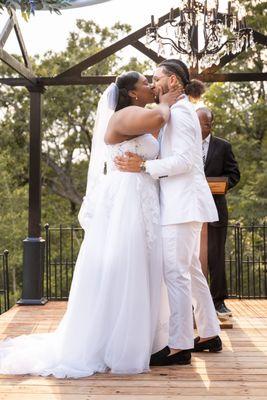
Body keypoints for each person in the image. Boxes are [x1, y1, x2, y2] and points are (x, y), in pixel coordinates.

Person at [0, 71, 181, 378]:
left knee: (144, 265)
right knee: (128, 265)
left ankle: (147, 339)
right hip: (128, 200)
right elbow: (158, 120)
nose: (151, 86)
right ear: (133, 94)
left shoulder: (136, 110)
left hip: (143, 196)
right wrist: (165, 101)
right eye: (145, 84)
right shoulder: (125, 116)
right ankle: (120, 344)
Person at [115, 59, 222, 366]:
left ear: (173, 80)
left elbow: (186, 161)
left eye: (156, 78)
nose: (152, 82)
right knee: (189, 270)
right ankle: (209, 333)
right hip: (182, 203)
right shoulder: (176, 111)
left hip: (181, 205)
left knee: (175, 273)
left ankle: (179, 345)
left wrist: (144, 166)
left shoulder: (181, 113)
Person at [197, 107, 240, 317]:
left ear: (210, 125)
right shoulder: (185, 145)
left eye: (203, 123)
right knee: (191, 259)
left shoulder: (223, 146)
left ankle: (218, 303)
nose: (199, 127)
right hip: (191, 211)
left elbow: (234, 174)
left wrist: (221, 185)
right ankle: (194, 303)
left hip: (215, 209)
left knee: (216, 257)